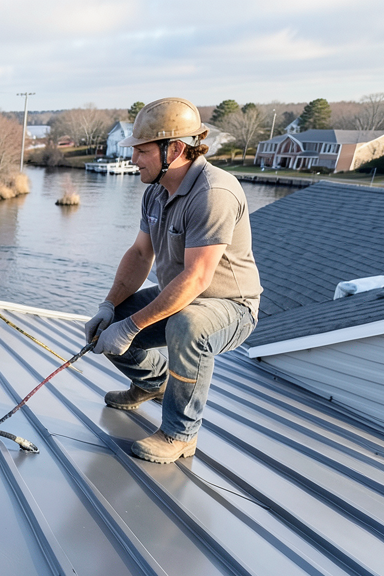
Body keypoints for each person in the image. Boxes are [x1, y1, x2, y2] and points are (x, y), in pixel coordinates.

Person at [84, 97, 262, 463]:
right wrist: (109, 307)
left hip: (230, 306)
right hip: (180, 295)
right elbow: (138, 255)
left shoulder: (214, 193)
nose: (134, 160)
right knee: (112, 324)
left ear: (175, 149)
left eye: (142, 152)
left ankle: (180, 435)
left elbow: (197, 278)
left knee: (187, 324)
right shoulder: (155, 192)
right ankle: (152, 384)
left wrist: (133, 325)